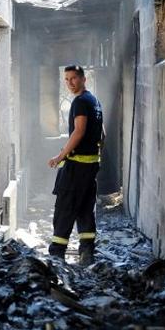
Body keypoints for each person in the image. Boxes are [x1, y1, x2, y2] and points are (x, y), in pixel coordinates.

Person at [47, 65, 104, 266]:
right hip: (90, 167)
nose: (70, 83)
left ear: (83, 79)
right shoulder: (94, 101)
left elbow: (78, 131)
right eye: (67, 79)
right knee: (85, 208)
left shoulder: (80, 102)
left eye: (73, 78)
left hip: (76, 166)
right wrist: (95, 157)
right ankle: (87, 253)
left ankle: (56, 255)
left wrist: (60, 156)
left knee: (65, 206)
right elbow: (102, 134)